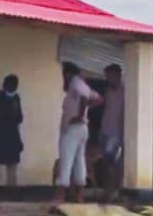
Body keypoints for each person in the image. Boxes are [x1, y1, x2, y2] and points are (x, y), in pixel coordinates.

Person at [54, 61, 101, 202]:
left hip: (73, 128)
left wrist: (80, 115)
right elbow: (98, 99)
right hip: (82, 129)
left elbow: (84, 98)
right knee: (79, 161)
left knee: (66, 160)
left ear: (68, 73)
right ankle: (79, 195)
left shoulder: (75, 83)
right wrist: (85, 112)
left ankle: (60, 195)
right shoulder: (82, 85)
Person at [98, 63, 125, 192]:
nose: (108, 78)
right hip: (105, 130)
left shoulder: (125, 92)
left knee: (114, 162)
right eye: (107, 76)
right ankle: (108, 189)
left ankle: (116, 190)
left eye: (111, 76)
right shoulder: (107, 91)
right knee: (105, 162)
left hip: (116, 132)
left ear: (118, 75)